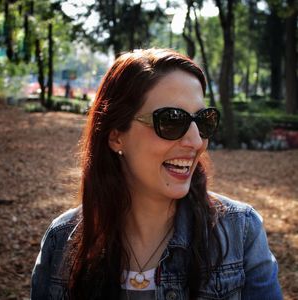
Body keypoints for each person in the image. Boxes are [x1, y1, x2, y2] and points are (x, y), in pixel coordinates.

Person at [31, 48, 282, 300]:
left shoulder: (241, 232)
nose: (197, 142)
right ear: (117, 136)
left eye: (204, 121)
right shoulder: (62, 242)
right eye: (172, 120)